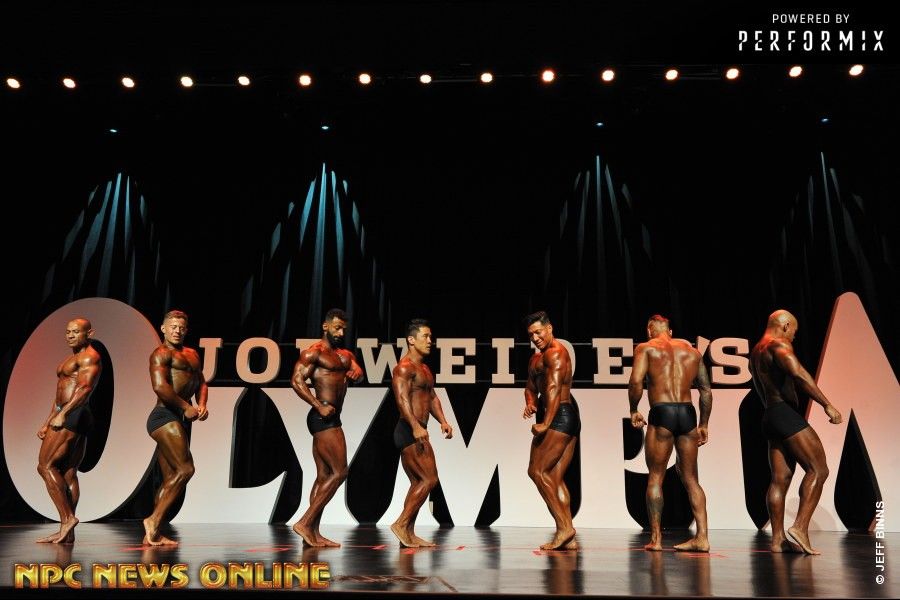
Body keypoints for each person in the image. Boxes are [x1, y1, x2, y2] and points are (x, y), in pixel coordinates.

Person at [749, 309, 842, 554]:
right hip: (784, 414)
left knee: (780, 479)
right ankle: (800, 527)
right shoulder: (778, 344)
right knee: (819, 469)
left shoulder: (756, 351)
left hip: (770, 415)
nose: (794, 337)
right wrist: (827, 404)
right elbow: (798, 373)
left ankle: (777, 540)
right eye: (794, 332)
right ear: (785, 326)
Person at [628, 314, 712, 552]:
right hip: (687, 413)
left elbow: (636, 381)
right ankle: (702, 538)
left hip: (662, 412)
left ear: (649, 331)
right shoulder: (692, 352)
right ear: (671, 331)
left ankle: (656, 540)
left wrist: (633, 409)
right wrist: (704, 424)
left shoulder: (646, 348)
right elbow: (706, 391)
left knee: (656, 477)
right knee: (692, 479)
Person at [290, 308, 364, 547]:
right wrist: (317, 405)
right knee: (340, 472)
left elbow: (357, 373)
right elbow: (296, 381)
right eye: (337, 328)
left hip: (332, 417)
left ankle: (312, 533)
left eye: (343, 329)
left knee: (324, 476)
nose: (341, 333)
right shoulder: (314, 352)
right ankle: (305, 523)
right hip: (322, 417)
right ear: (325, 326)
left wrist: (358, 373)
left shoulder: (345, 354)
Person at [143, 309, 208, 546]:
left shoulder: (192, 354)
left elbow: (201, 381)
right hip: (164, 416)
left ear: (186, 330)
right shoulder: (160, 354)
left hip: (180, 419)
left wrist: (201, 404)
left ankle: (154, 533)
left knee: (171, 477)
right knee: (186, 469)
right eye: (173, 327)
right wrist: (185, 406)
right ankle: (152, 521)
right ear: (163, 329)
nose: (177, 331)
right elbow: (160, 387)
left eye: (181, 328)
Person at [36, 318, 102, 544]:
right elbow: (59, 394)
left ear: (89, 333)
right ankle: (68, 532)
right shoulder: (72, 358)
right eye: (68, 332)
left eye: (76, 332)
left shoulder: (89, 357)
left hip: (74, 412)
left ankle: (67, 519)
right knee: (68, 472)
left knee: (45, 466)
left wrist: (63, 414)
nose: (71, 335)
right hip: (72, 413)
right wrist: (48, 421)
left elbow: (84, 388)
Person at [390, 318, 453, 547]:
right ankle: (401, 524)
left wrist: (443, 421)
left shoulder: (424, 369)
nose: (429, 341)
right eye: (425, 336)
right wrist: (416, 426)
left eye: (430, 337)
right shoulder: (404, 367)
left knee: (419, 481)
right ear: (411, 340)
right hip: (409, 429)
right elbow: (401, 399)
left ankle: (408, 533)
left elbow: (432, 397)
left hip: (418, 429)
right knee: (429, 479)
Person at [523, 311, 579, 550]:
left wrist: (546, 422)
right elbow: (530, 387)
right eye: (531, 335)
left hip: (560, 416)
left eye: (538, 332)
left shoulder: (556, 353)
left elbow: (554, 388)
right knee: (554, 478)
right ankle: (568, 536)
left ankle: (565, 528)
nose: (535, 338)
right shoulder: (535, 359)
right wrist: (530, 403)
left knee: (536, 471)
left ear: (549, 328)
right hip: (562, 417)